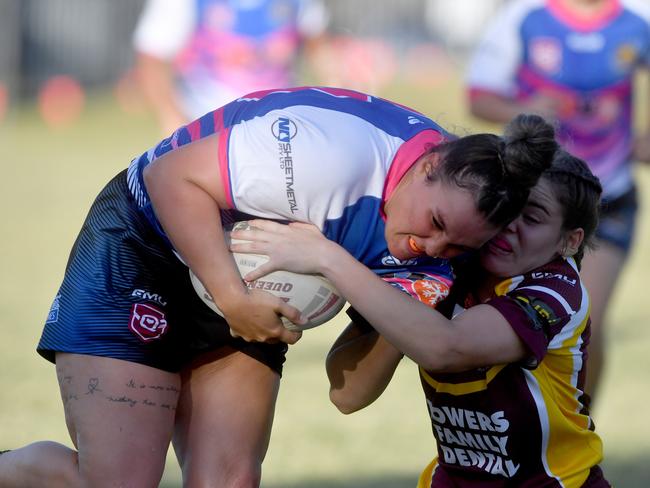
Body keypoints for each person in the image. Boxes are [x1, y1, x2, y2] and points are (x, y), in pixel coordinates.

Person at [0, 87, 557, 487]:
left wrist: (393, 300)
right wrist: (234, 298)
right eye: (435, 224)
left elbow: (348, 394)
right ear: (428, 164)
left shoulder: (438, 259)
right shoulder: (334, 155)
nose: (432, 249)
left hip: (251, 289)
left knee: (230, 480)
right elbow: (168, 176)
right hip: (146, 246)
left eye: (457, 247)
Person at [231, 149, 609, 486]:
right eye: (509, 208)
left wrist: (327, 259)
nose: (510, 224)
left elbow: (448, 348)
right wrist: (422, 290)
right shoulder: (444, 261)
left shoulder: (556, 291)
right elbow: (347, 393)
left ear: (569, 241)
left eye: (533, 217)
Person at [465, 0, 650, 402]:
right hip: (527, 200)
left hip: (607, 199)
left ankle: (577, 426)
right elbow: (478, 99)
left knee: (589, 320)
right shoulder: (523, 17)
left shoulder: (639, 21)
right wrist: (524, 110)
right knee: (501, 312)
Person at [132, 0, 329, 134]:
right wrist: (173, 120)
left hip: (279, 126)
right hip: (206, 128)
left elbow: (319, 47)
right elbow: (152, 57)